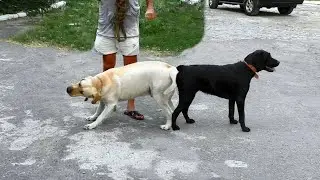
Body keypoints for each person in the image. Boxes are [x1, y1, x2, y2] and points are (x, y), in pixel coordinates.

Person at [93, 0, 156, 120]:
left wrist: (150, 7)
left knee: (131, 70)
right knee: (108, 67)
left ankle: (130, 107)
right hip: (106, 25)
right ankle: (109, 100)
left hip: (130, 26)